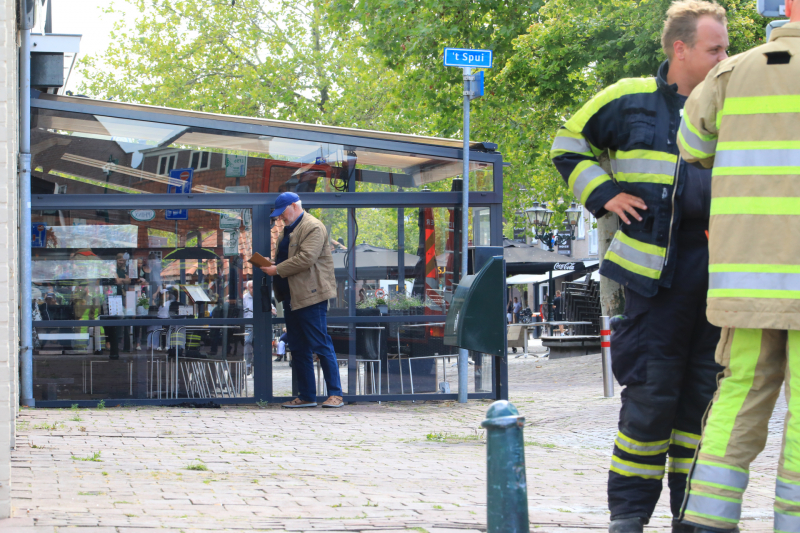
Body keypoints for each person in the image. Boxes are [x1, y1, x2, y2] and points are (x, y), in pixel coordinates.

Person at [550, 3, 729, 532]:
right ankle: (628, 518)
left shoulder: (734, 102)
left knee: (703, 408)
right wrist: (604, 194)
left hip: (718, 278)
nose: (726, 59)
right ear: (681, 49)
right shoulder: (627, 98)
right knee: (651, 401)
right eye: (716, 49)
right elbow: (567, 144)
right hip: (652, 281)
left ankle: (692, 519)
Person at [675, 4, 800, 531]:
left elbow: (691, 145)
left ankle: (707, 519)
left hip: (748, 282)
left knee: (739, 391)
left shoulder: (731, 72)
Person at [261, 192, 343, 408]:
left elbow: (306, 258)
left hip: (311, 296)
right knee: (298, 347)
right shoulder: (289, 229)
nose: (280, 217)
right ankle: (307, 396)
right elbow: (290, 259)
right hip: (292, 296)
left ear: (294, 206)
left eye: (283, 212)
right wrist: (273, 264)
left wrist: (276, 269)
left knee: (321, 344)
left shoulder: (313, 226)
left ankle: (336, 394)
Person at [243, 280, 254, 375]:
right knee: (247, 342)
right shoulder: (244, 299)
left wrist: (273, 310)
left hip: (259, 325)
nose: (254, 289)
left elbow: (272, 308)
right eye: (252, 287)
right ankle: (247, 364)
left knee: (260, 344)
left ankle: (257, 365)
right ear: (247, 288)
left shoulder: (261, 296)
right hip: (248, 325)